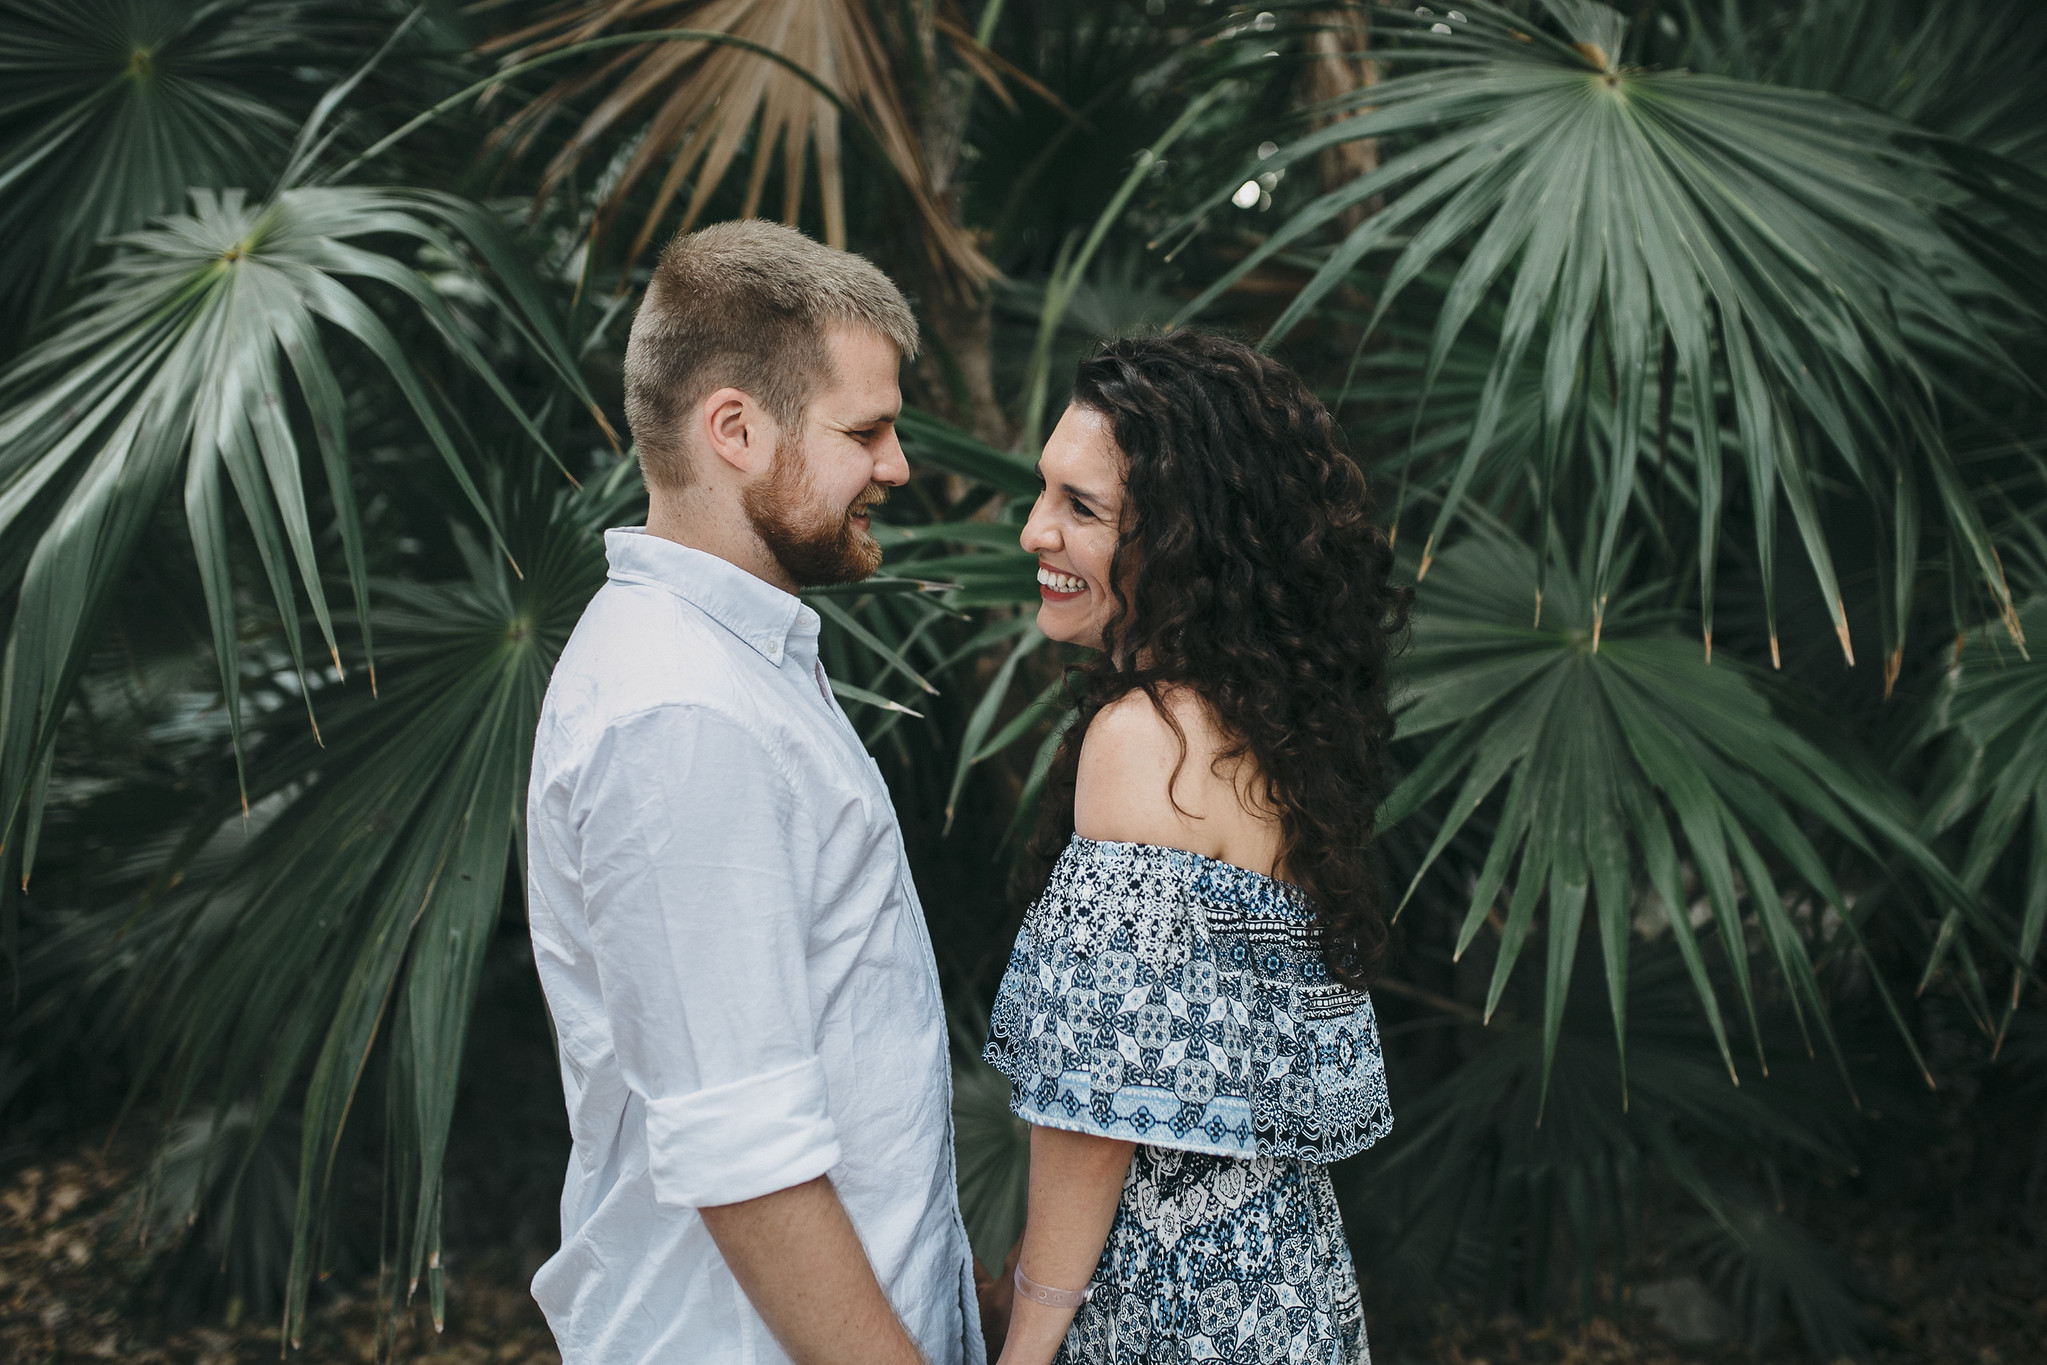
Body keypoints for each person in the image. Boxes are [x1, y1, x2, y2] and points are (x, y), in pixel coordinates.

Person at [525, 219, 982, 1365]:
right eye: (865, 431)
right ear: (735, 427)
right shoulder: (680, 714)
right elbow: (746, 1157)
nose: (897, 466)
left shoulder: (728, 668)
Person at [982, 332, 1406, 1365]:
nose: (1037, 530)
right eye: (1046, 494)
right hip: (1283, 1281)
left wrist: (1028, 1340)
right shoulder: (1265, 731)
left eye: (1082, 509)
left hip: (1170, 1306)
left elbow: (1097, 1106)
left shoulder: (1144, 743)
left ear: (1186, 540)